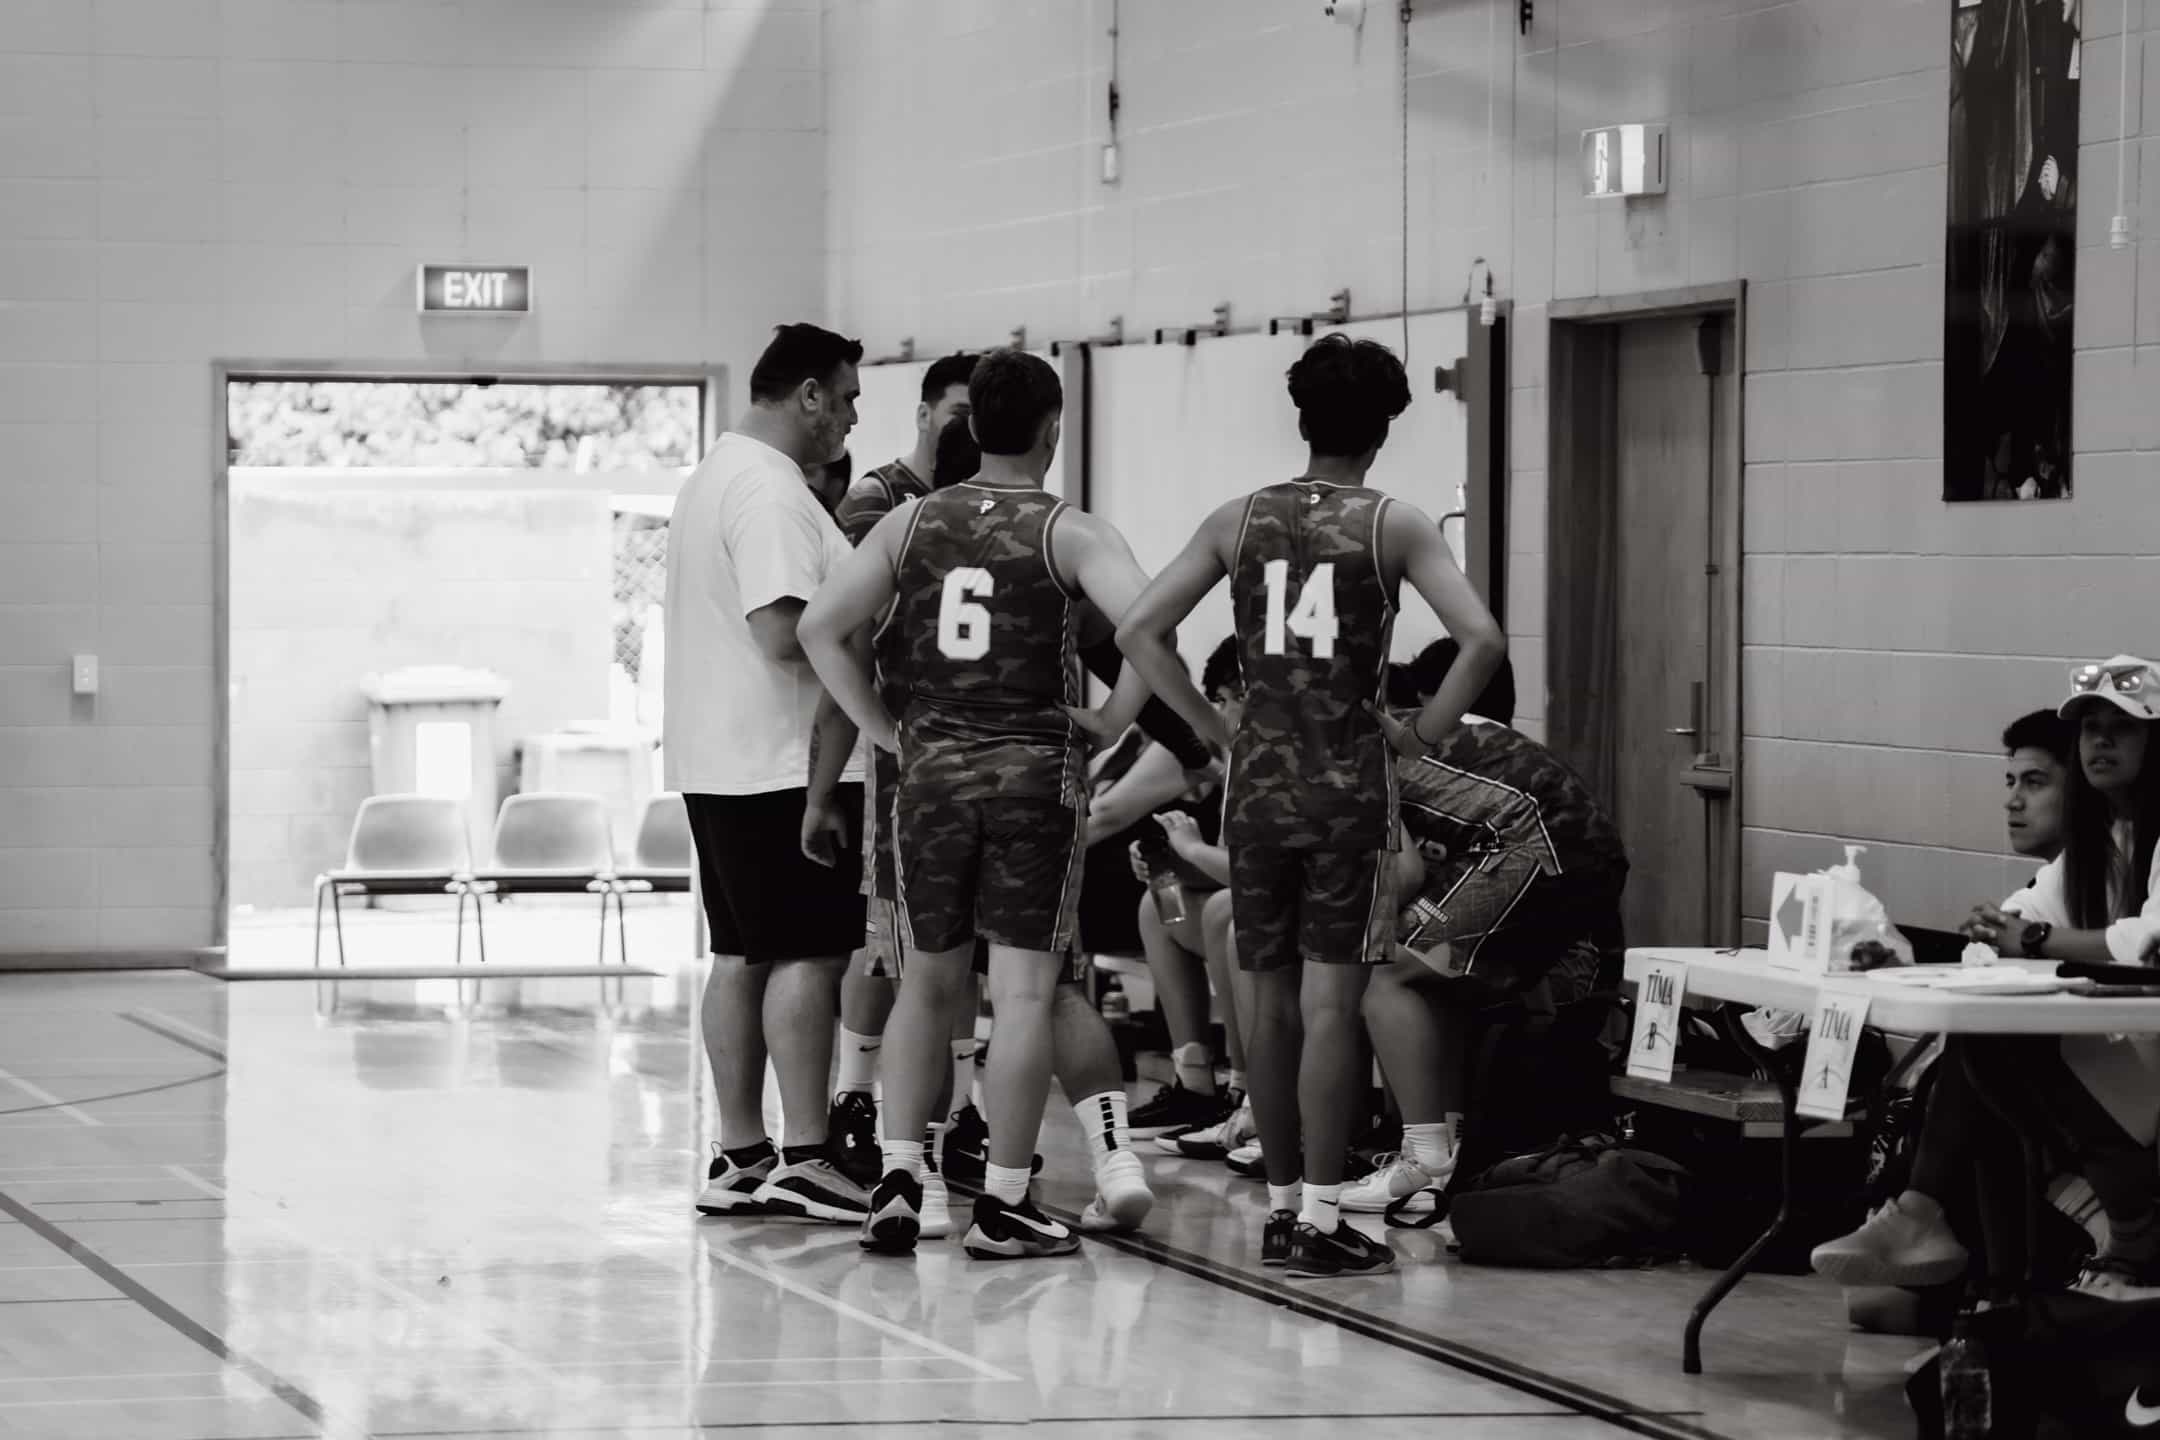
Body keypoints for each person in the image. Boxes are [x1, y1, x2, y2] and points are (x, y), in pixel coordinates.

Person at [1114, 333, 1506, 1279]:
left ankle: (1281, 1204)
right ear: (1383, 430)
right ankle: (1323, 1219)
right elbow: (1482, 640)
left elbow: (1139, 629)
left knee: (1269, 1004)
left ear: (1301, 419)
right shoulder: (1396, 524)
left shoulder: (1238, 518)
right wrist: (1419, 735)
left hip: (1257, 786)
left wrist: (1212, 726)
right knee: (1332, 1005)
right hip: (1348, 786)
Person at [799, 349, 1160, 1260]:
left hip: (929, 780)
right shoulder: (1072, 531)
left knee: (926, 983)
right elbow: (1151, 630)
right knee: (1027, 992)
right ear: (1052, 429)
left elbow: (819, 628)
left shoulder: (909, 521)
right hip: (1035, 780)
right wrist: (1112, 718)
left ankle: (899, 1178)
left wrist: (884, 730)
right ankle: (1003, 1202)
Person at [664, 322, 871, 1226]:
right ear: (809, 395)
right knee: (808, 955)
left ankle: (743, 1153)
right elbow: (785, 631)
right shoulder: (771, 489)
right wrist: (873, 629)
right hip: (784, 764)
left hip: (723, 758)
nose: (852, 417)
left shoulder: (716, 474)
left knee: (741, 954)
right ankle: (807, 1156)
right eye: (847, 397)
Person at [1814, 709, 2093, 1329]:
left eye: (2035, 783)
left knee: (1983, 1046)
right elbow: (1997, 949)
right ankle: (1962, 1259)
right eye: (2010, 782)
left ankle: (1961, 1252)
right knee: (1871, 1306)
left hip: (2097, 1091)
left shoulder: (2124, 868)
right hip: (2041, 1089)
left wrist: (2026, 943)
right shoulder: (2053, 880)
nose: (2013, 801)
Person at [1344, 641, 1627, 1216]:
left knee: (1384, 970)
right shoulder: (1401, 726)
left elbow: (1403, 873)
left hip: (1535, 845)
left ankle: (1424, 1161)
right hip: (1576, 848)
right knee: (1436, 978)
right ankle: (1441, 1156)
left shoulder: (1346, 750)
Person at [1119, 638, 1245, 1141]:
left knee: (1225, 913)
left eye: (1232, 699)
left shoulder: (1275, 756)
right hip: (1245, 901)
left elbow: (1261, 875)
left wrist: (1191, 850)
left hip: (1290, 915)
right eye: (1218, 701)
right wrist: (1171, 861)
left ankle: (1244, 1087)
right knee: (1161, 900)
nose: (1224, 712)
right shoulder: (1231, 752)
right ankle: (1194, 1080)